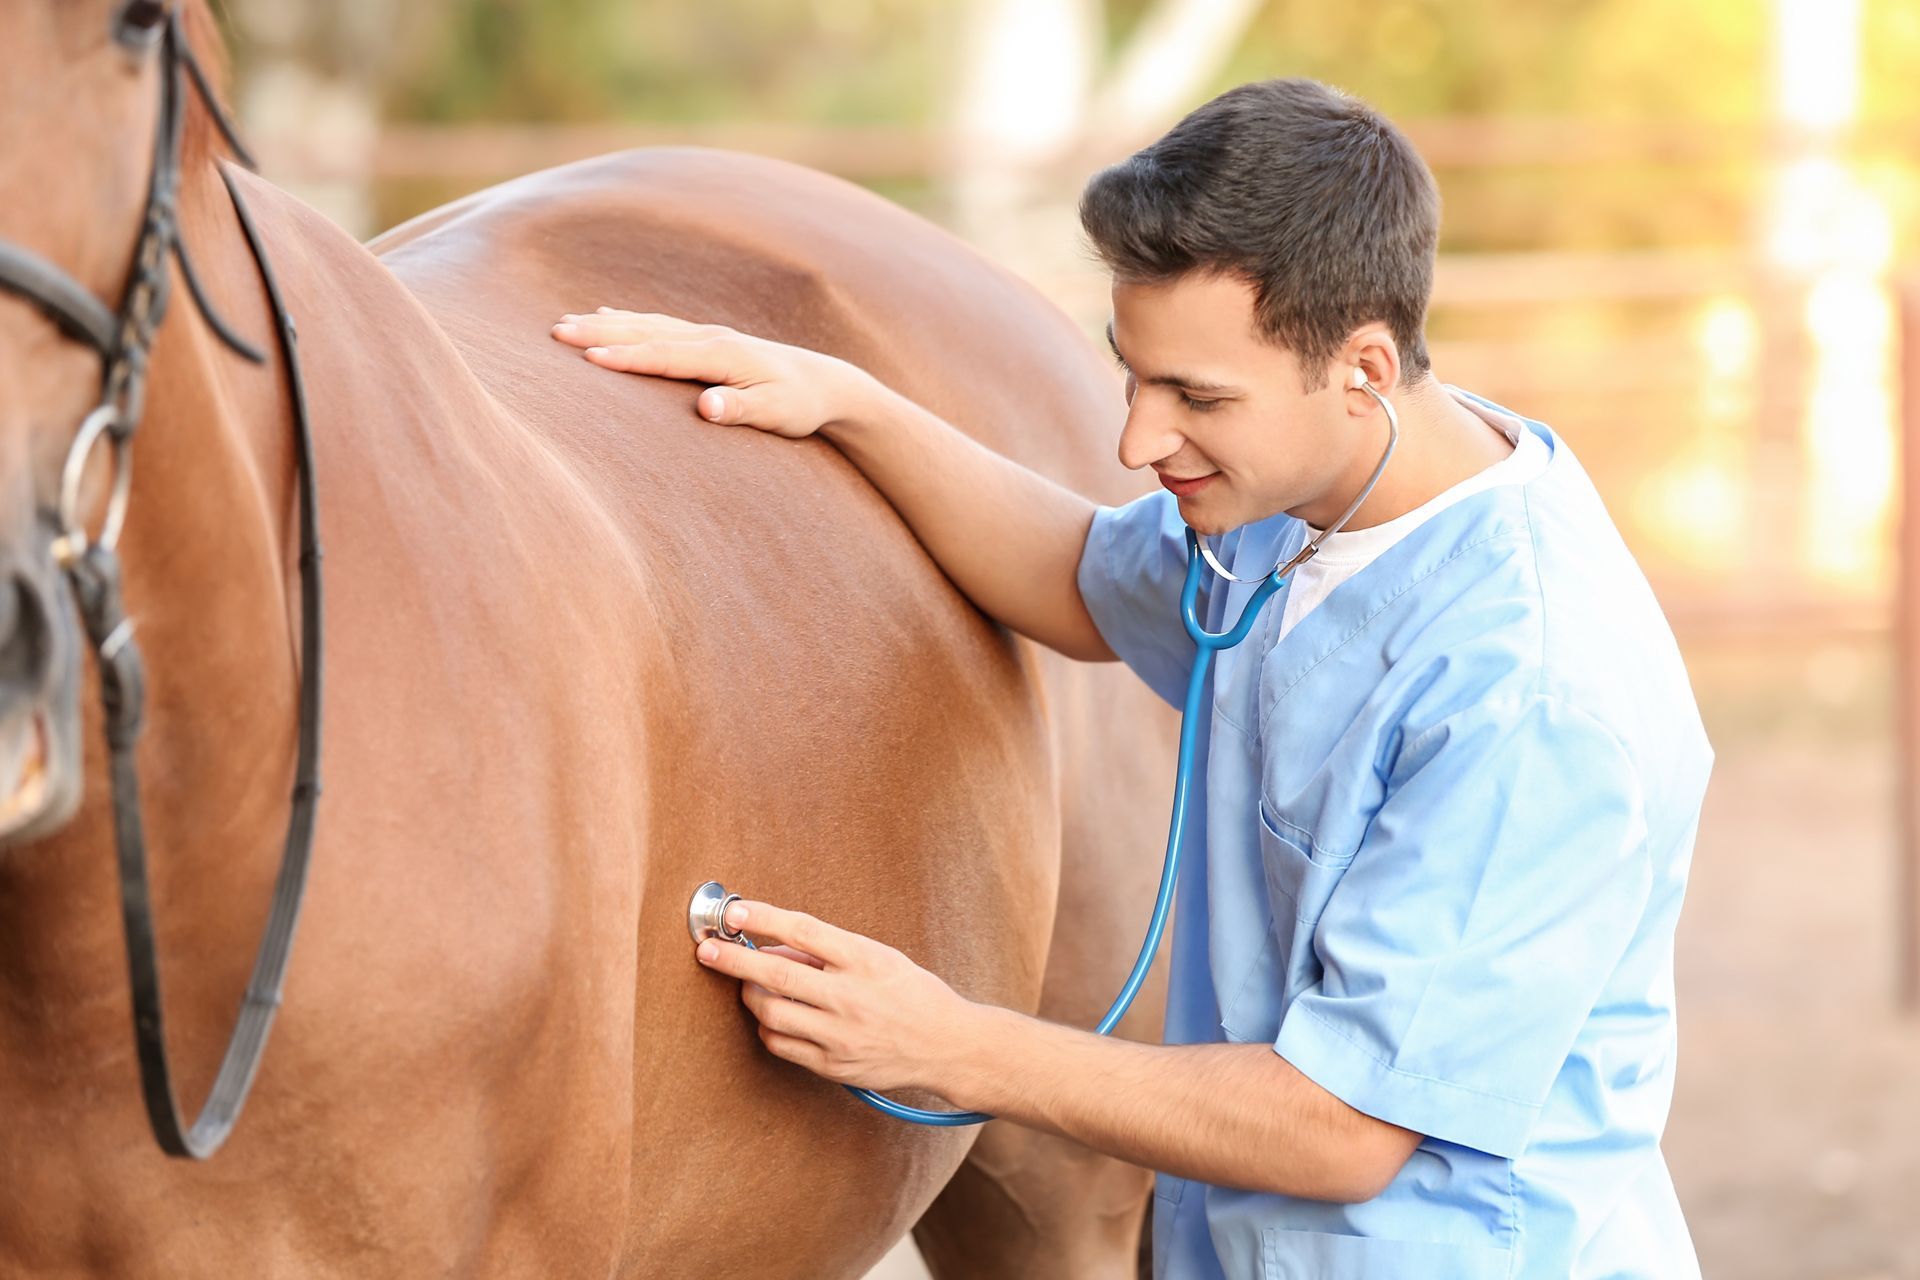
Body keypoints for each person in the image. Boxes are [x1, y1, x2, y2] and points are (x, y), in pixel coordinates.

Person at [551, 77, 1711, 1279]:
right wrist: (849, 404)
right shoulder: (1308, 493)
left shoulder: (1529, 691)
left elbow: (1347, 1123)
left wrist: (946, 1041)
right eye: (1134, 375)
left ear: (1363, 364)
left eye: (1197, 397)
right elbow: (1076, 573)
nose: (1137, 442)